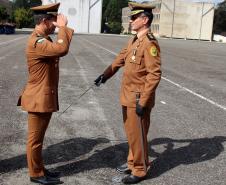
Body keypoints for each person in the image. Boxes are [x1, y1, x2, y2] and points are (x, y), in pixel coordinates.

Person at [94, 2, 161, 184]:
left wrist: (144, 101)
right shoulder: (134, 40)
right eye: (131, 17)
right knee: (132, 133)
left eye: (134, 17)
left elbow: (154, 74)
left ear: (144, 19)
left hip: (139, 98)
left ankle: (139, 170)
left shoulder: (149, 43)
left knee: (138, 135)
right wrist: (105, 74)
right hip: (128, 95)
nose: (130, 20)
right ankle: (132, 162)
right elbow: (120, 59)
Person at [17, 3, 74, 184]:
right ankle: (36, 174)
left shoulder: (44, 39)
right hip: (37, 98)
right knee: (35, 140)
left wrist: (61, 29)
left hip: (42, 96)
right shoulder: (37, 42)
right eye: (53, 21)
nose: (55, 25)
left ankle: (40, 169)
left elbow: (58, 47)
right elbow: (61, 49)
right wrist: (63, 27)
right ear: (44, 20)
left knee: (39, 139)